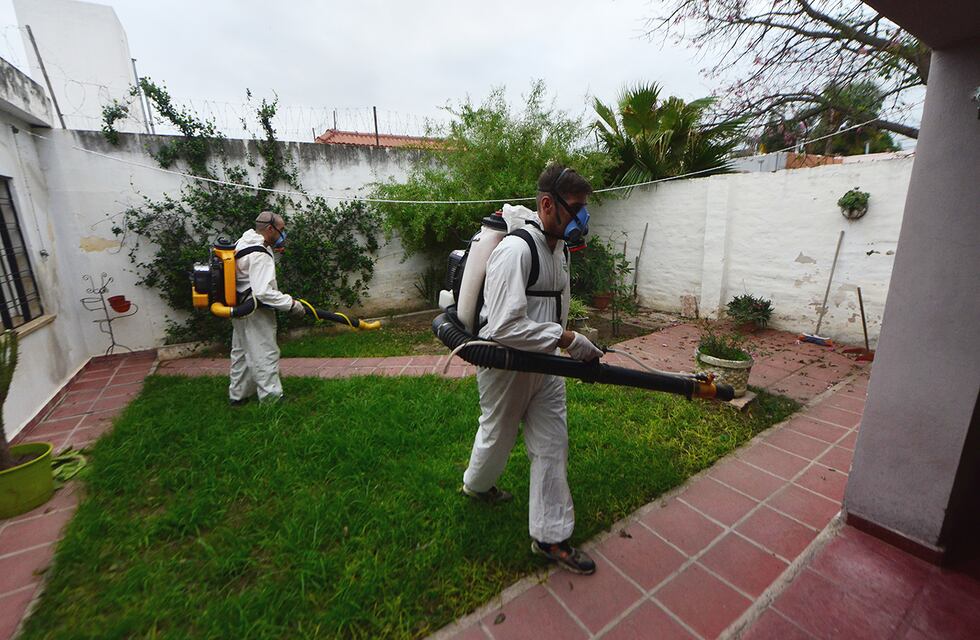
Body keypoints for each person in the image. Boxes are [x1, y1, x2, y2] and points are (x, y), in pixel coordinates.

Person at [461, 164, 604, 575]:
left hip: (547, 365)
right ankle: (477, 486)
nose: (582, 217)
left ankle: (550, 536)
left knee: (552, 444)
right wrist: (566, 338)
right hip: (506, 366)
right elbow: (503, 326)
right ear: (547, 205)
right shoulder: (516, 251)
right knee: (497, 435)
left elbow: (554, 308)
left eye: (583, 208)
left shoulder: (559, 250)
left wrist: (563, 343)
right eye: (575, 207)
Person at [228, 211, 306, 405]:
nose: (283, 234)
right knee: (264, 352)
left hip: (239, 307)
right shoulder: (259, 254)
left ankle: (238, 396)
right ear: (270, 228)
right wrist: (291, 304)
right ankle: (272, 399)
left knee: (241, 353)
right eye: (282, 230)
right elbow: (263, 292)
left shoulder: (243, 242)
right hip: (255, 311)